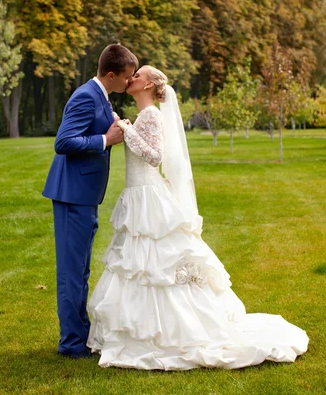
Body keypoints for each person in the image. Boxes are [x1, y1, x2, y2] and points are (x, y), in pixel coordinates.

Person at [87, 65, 309, 370]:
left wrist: (126, 130)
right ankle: (149, 331)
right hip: (140, 195)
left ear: (150, 83)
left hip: (147, 198)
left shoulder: (151, 114)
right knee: (140, 266)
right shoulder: (144, 115)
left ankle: (168, 333)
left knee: (154, 267)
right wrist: (124, 125)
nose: (132, 78)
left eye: (138, 75)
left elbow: (154, 156)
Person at [43, 44, 138, 358]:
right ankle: (71, 343)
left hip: (83, 195)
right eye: (127, 77)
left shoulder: (100, 95)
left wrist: (110, 128)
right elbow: (63, 142)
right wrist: (105, 140)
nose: (130, 82)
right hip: (72, 195)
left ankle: (79, 336)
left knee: (80, 270)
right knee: (72, 271)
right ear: (111, 75)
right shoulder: (86, 95)